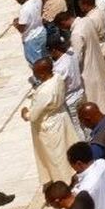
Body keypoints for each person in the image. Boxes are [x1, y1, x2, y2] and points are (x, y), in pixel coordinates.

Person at [25, 58, 79, 187]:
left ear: (43, 73)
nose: (35, 76)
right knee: (65, 150)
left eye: (36, 73)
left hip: (49, 126)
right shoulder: (57, 78)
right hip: (61, 118)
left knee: (56, 157)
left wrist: (25, 113)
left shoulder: (45, 91)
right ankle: (72, 175)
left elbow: (33, 115)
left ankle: (64, 184)